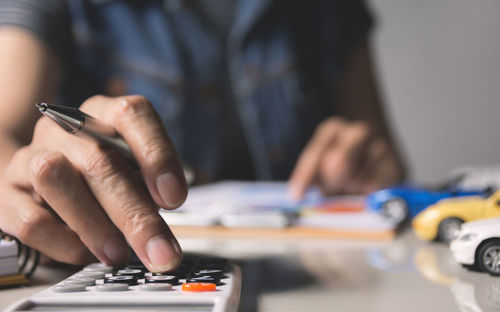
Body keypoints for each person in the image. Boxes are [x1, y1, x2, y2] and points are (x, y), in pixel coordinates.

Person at [0, 0, 405, 272]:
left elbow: (384, 155)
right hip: (135, 265)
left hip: (322, 269)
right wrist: (31, 178)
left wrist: (367, 162)